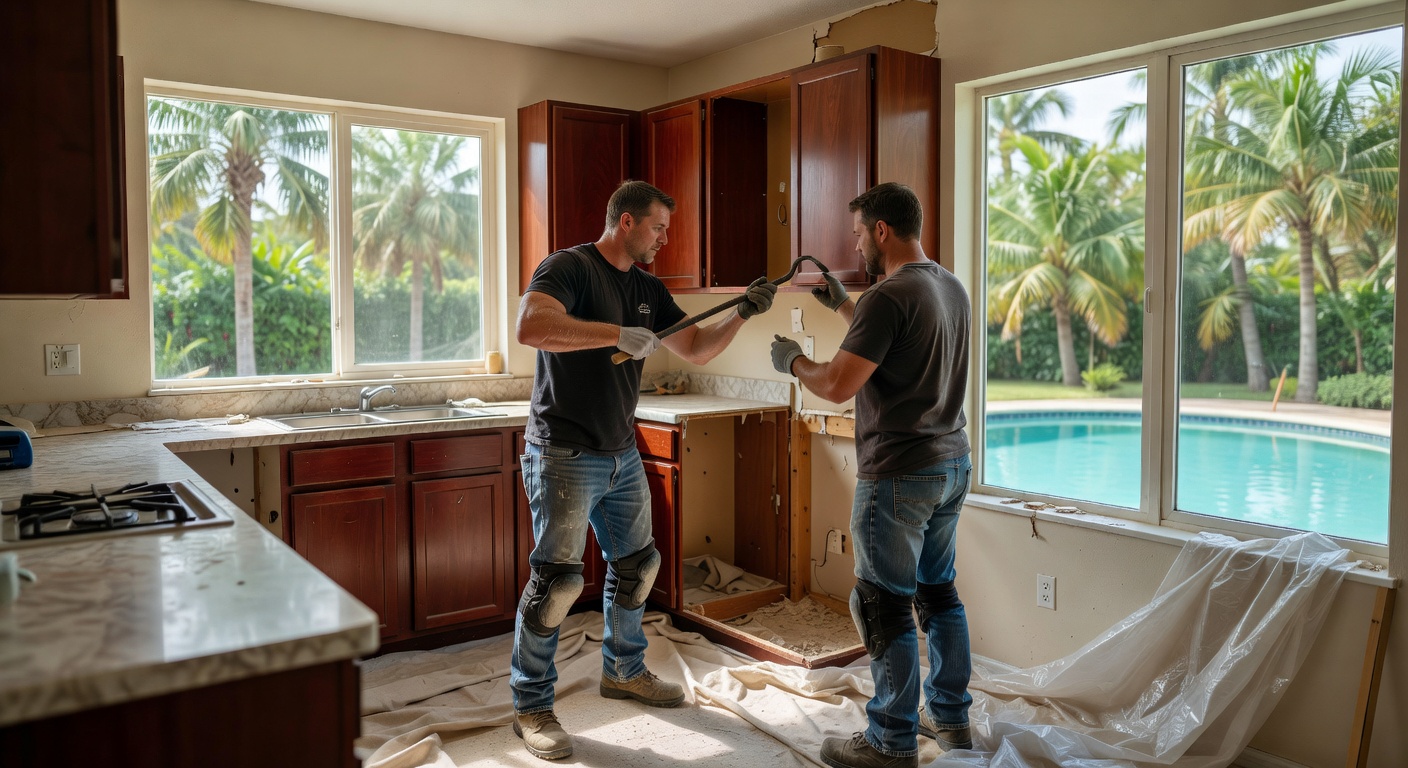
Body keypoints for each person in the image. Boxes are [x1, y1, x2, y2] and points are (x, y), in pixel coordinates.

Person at [512, 179, 777, 761]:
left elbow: (698, 348)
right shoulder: (569, 267)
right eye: (658, 226)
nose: (664, 237)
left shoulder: (649, 289)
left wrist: (742, 313)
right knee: (555, 584)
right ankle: (531, 704)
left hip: (620, 451)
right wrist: (614, 334)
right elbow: (531, 327)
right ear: (626, 221)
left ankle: (624, 670)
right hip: (562, 451)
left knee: (638, 566)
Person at [771, 182, 973, 768]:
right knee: (939, 595)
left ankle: (890, 739)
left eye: (859, 234)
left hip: (898, 474)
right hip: (949, 463)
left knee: (882, 605)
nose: (856, 245)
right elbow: (896, 343)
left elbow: (837, 383)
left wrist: (792, 362)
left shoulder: (889, 296)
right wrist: (840, 305)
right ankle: (952, 720)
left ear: (881, 230)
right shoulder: (947, 285)